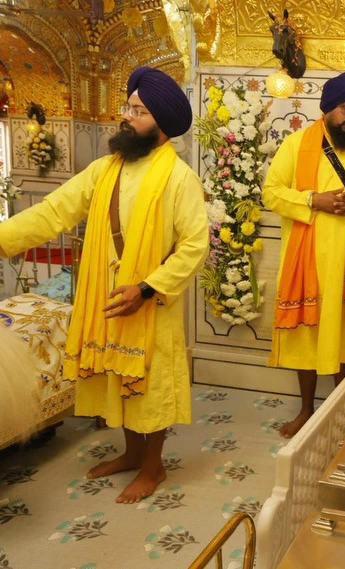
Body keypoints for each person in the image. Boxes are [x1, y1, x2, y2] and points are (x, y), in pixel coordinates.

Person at [0, 66, 209, 503]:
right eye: (127, 107)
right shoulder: (103, 170)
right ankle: (132, 454)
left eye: (138, 110)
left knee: (149, 386)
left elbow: (194, 246)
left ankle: (154, 467)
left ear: (162, 125)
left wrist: (147, 288)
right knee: (120, 378)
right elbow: (53, 211)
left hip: (150, 302)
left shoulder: (179, 179)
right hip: (107, 297)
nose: (127, 117)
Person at [263, 71, 345, 438]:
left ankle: (343, 412)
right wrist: (312, 200)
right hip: (309, 263)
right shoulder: (297, 144)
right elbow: (272, 192)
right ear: (328, 110)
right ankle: (306, 410)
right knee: (307, 339)